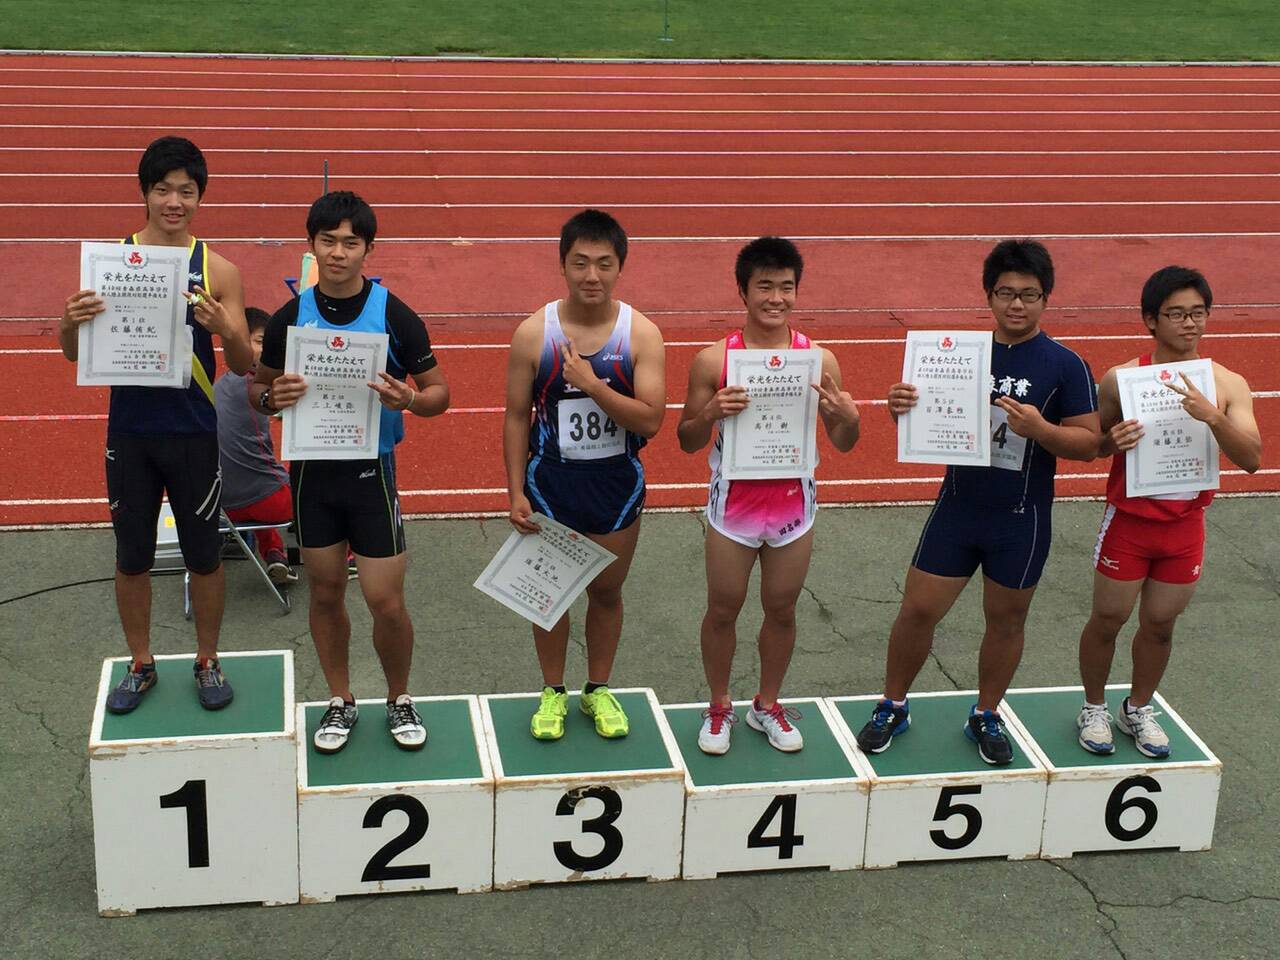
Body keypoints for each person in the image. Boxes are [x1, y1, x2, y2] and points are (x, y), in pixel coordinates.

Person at [855, 239, 1101, 765]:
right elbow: (920, 422)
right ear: (988, 296)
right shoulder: (956, 354)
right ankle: (892, 704)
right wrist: (901, 408)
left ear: (1046, 299)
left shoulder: (1065, 365)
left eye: (1029, 295)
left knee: (1007, 620)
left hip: (1022, 516)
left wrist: (1041, 429)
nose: (1017, 304)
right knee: (917, 610)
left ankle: (987, 713)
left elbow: (1088, 444)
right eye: (1006, 293)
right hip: (958, 508)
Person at [57, 136, 251, 714]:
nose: (174, 201)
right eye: (163, 189)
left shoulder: (219, 268)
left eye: (186, 191)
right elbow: (73, 353)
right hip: (131, 434)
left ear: (200, 198)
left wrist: (226, 327)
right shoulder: (110, 262)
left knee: (204, 555)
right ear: (144, 192)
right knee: (131, 555)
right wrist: (68, 322)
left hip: (193, 433)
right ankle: (141, 663)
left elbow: (243, 365)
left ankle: (207, 659)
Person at [253, 191, 449, 754]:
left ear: (367, 249)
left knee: (386, 600)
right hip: (314, 476)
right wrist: (273, 398)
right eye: (327, 241)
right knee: (326, 592)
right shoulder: (292, 315)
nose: (338, 253)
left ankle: (398, 697)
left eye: (350, 243)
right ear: (311, 246)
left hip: (371, 474)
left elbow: (441, 394)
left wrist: (408, 399)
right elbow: (257, 392)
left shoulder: (393, 313)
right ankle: (340, 701)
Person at [678, 237, 861, 755]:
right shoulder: (714, 360)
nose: (776, 297)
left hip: (792, 508)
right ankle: (719, 706)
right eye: (765, 286)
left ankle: (767, 705)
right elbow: (686, 438)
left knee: (782, 609)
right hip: (732, 508)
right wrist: (710, 412)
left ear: (797, 292)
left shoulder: (819, 360)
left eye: (786, 286)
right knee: (723, 609)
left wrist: (848, 418)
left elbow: (843, 442)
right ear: (743, 291)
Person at [1076, 266, 1261, 758]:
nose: (1189, 324)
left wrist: (1213, 417)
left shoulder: (1225, 382)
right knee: (1109, 616)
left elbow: (1252, 459)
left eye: (1198, 313)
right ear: (1150, 321)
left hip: (1185, 526)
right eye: (1176, 314)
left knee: (1160, 624)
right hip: (1130, 522)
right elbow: (1093, 443)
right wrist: (1109, 443)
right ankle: (1093, 706)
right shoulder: (1121, 379)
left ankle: (1137, 707)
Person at [503, 209, 666, 741]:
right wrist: (513, 491)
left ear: (621, 267)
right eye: (580, 263)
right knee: (547, 597)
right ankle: (553, 691)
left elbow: (652, 420)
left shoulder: (641, 334)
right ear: (563, 265)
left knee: (607, 594)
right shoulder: (534, 333)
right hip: (549, 486)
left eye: (603, 264)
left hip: (616, 488)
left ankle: (598, 688)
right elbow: (514, 416)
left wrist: (593, 385)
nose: (591, 275)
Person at [214, 307, 296, 585]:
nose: (268, 351)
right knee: (318, 480)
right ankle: (347, 554)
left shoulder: (219, 386)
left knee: (257, 475)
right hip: (273, 504)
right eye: (261, 342)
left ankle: (274, 552)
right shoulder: (256, 387)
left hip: (223, 508)